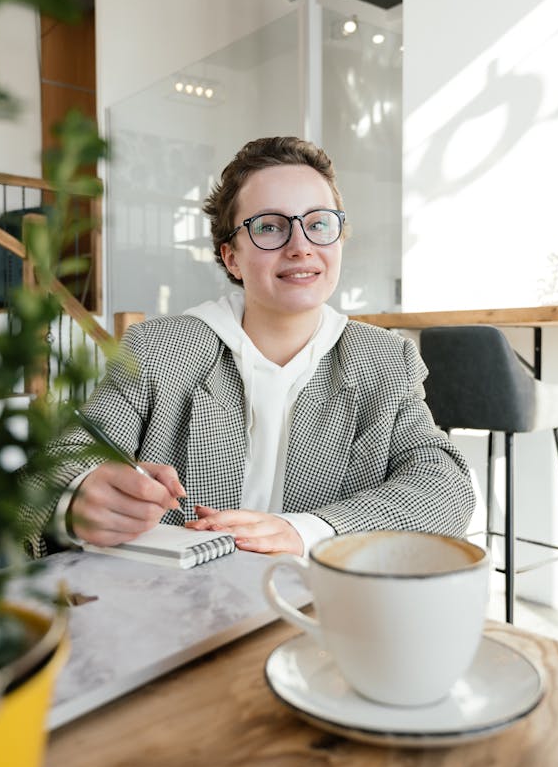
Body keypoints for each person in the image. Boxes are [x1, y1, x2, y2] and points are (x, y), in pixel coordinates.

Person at [23, 135, 474, 558]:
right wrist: (77, 499)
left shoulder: (385, 360)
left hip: (322, 616)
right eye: (270, 227)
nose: (300, 246)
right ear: (231, 257)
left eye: (319, 224)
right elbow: (48, 475)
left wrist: (309, 529)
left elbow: (446, 489)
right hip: (180, 613)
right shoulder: (157, 349)